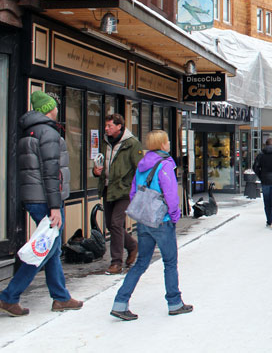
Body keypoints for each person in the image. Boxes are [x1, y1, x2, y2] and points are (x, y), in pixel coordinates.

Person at [0, 92, 84, 317]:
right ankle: (9, 296)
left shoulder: (29, 132)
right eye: (55, 106)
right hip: (48, 201)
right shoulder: (48, 133)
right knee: (44, 250)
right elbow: (51, 172)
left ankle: (61, 297)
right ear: (49, 108)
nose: (57, 108)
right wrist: (55, 207)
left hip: (34, 197)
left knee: (52, 249)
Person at [110, 130, 192, 321]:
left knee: (140, 263)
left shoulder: (142, 165)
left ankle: (120, 302)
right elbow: (171, 196)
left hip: (144, 220)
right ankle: (175, 302)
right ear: (162, 143)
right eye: (167, 140)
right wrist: (174, 215)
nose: (169, 143)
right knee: (170, 262)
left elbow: (133, 193)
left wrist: (142, 213)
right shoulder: (165, 165)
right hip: (161, 221)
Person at [93, 113, 143, 275]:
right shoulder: (106, 142)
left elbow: (140, 169)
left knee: (115, 223)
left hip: (125, 190)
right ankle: (132, 246)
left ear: (119, 126)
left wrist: (138, 190)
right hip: (108, 188)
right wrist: (96, 171)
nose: (106, 129)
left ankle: (116, 263)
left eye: (110, 126)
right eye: (106, 126)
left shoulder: (132, 144)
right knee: (111, 225)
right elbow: (101, 162)